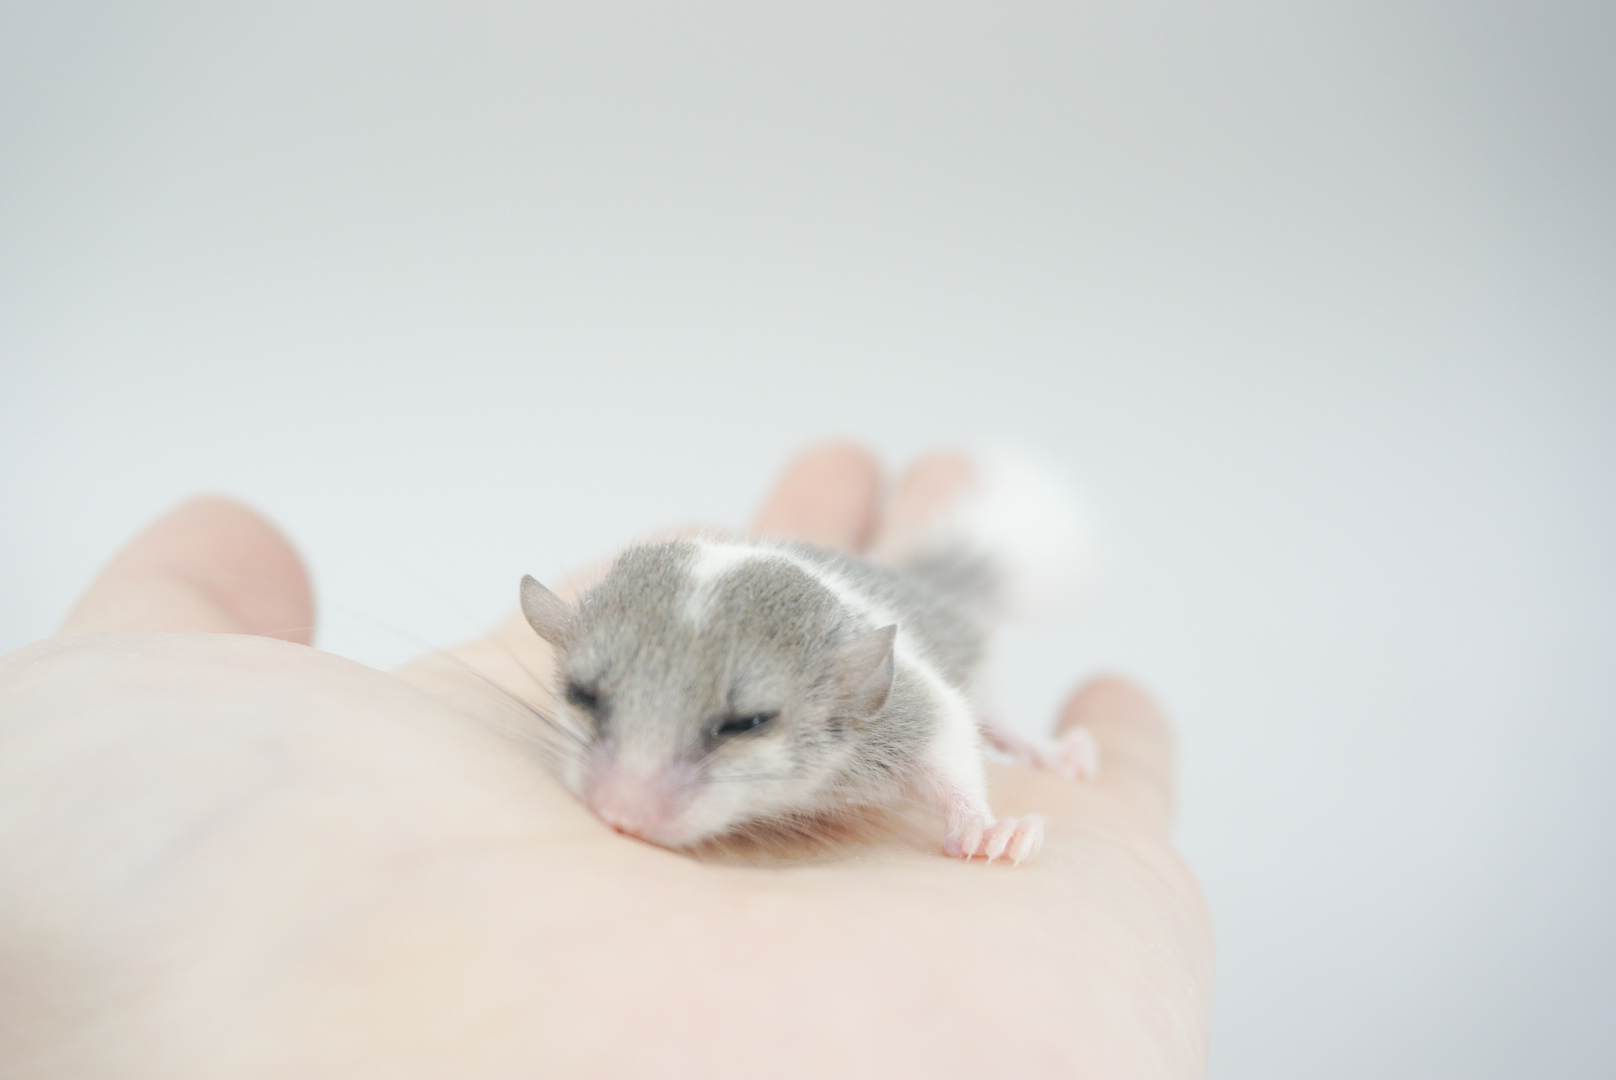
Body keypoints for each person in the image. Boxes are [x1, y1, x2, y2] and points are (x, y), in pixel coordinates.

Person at [0, 444, 1212, 1078]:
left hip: (881, 622)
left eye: (732, 731)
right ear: (566, 654)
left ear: (845, 699)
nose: (626, 800)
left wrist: (968, 816)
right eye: (590, 706)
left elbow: (934, 714)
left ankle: (1022, 729)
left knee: (970, 684)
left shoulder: (870, 692)